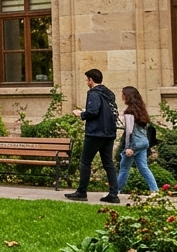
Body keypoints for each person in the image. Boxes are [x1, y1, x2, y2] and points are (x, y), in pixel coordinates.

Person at [65, 69, 120, 203]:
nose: (86, 82)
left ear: (91, 80)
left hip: (95, 132)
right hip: (109, 132)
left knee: (85, 162)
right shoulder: (108, 93)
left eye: (87, 80)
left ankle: (81, 192)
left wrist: (81, 114)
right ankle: (113, 194)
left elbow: (94, 111)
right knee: (108, 163)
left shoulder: (94, 93)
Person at [117, 86, 158, 194]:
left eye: (123, 94)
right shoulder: (141, 110)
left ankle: (116, 191)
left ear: (127, 96)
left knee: (124, 168)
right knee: (144, 168)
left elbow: (129, 131)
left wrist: (128, 147)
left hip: (134, 145)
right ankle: (155, 191)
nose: (121, 96)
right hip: (144, 143)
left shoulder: (129, 112)